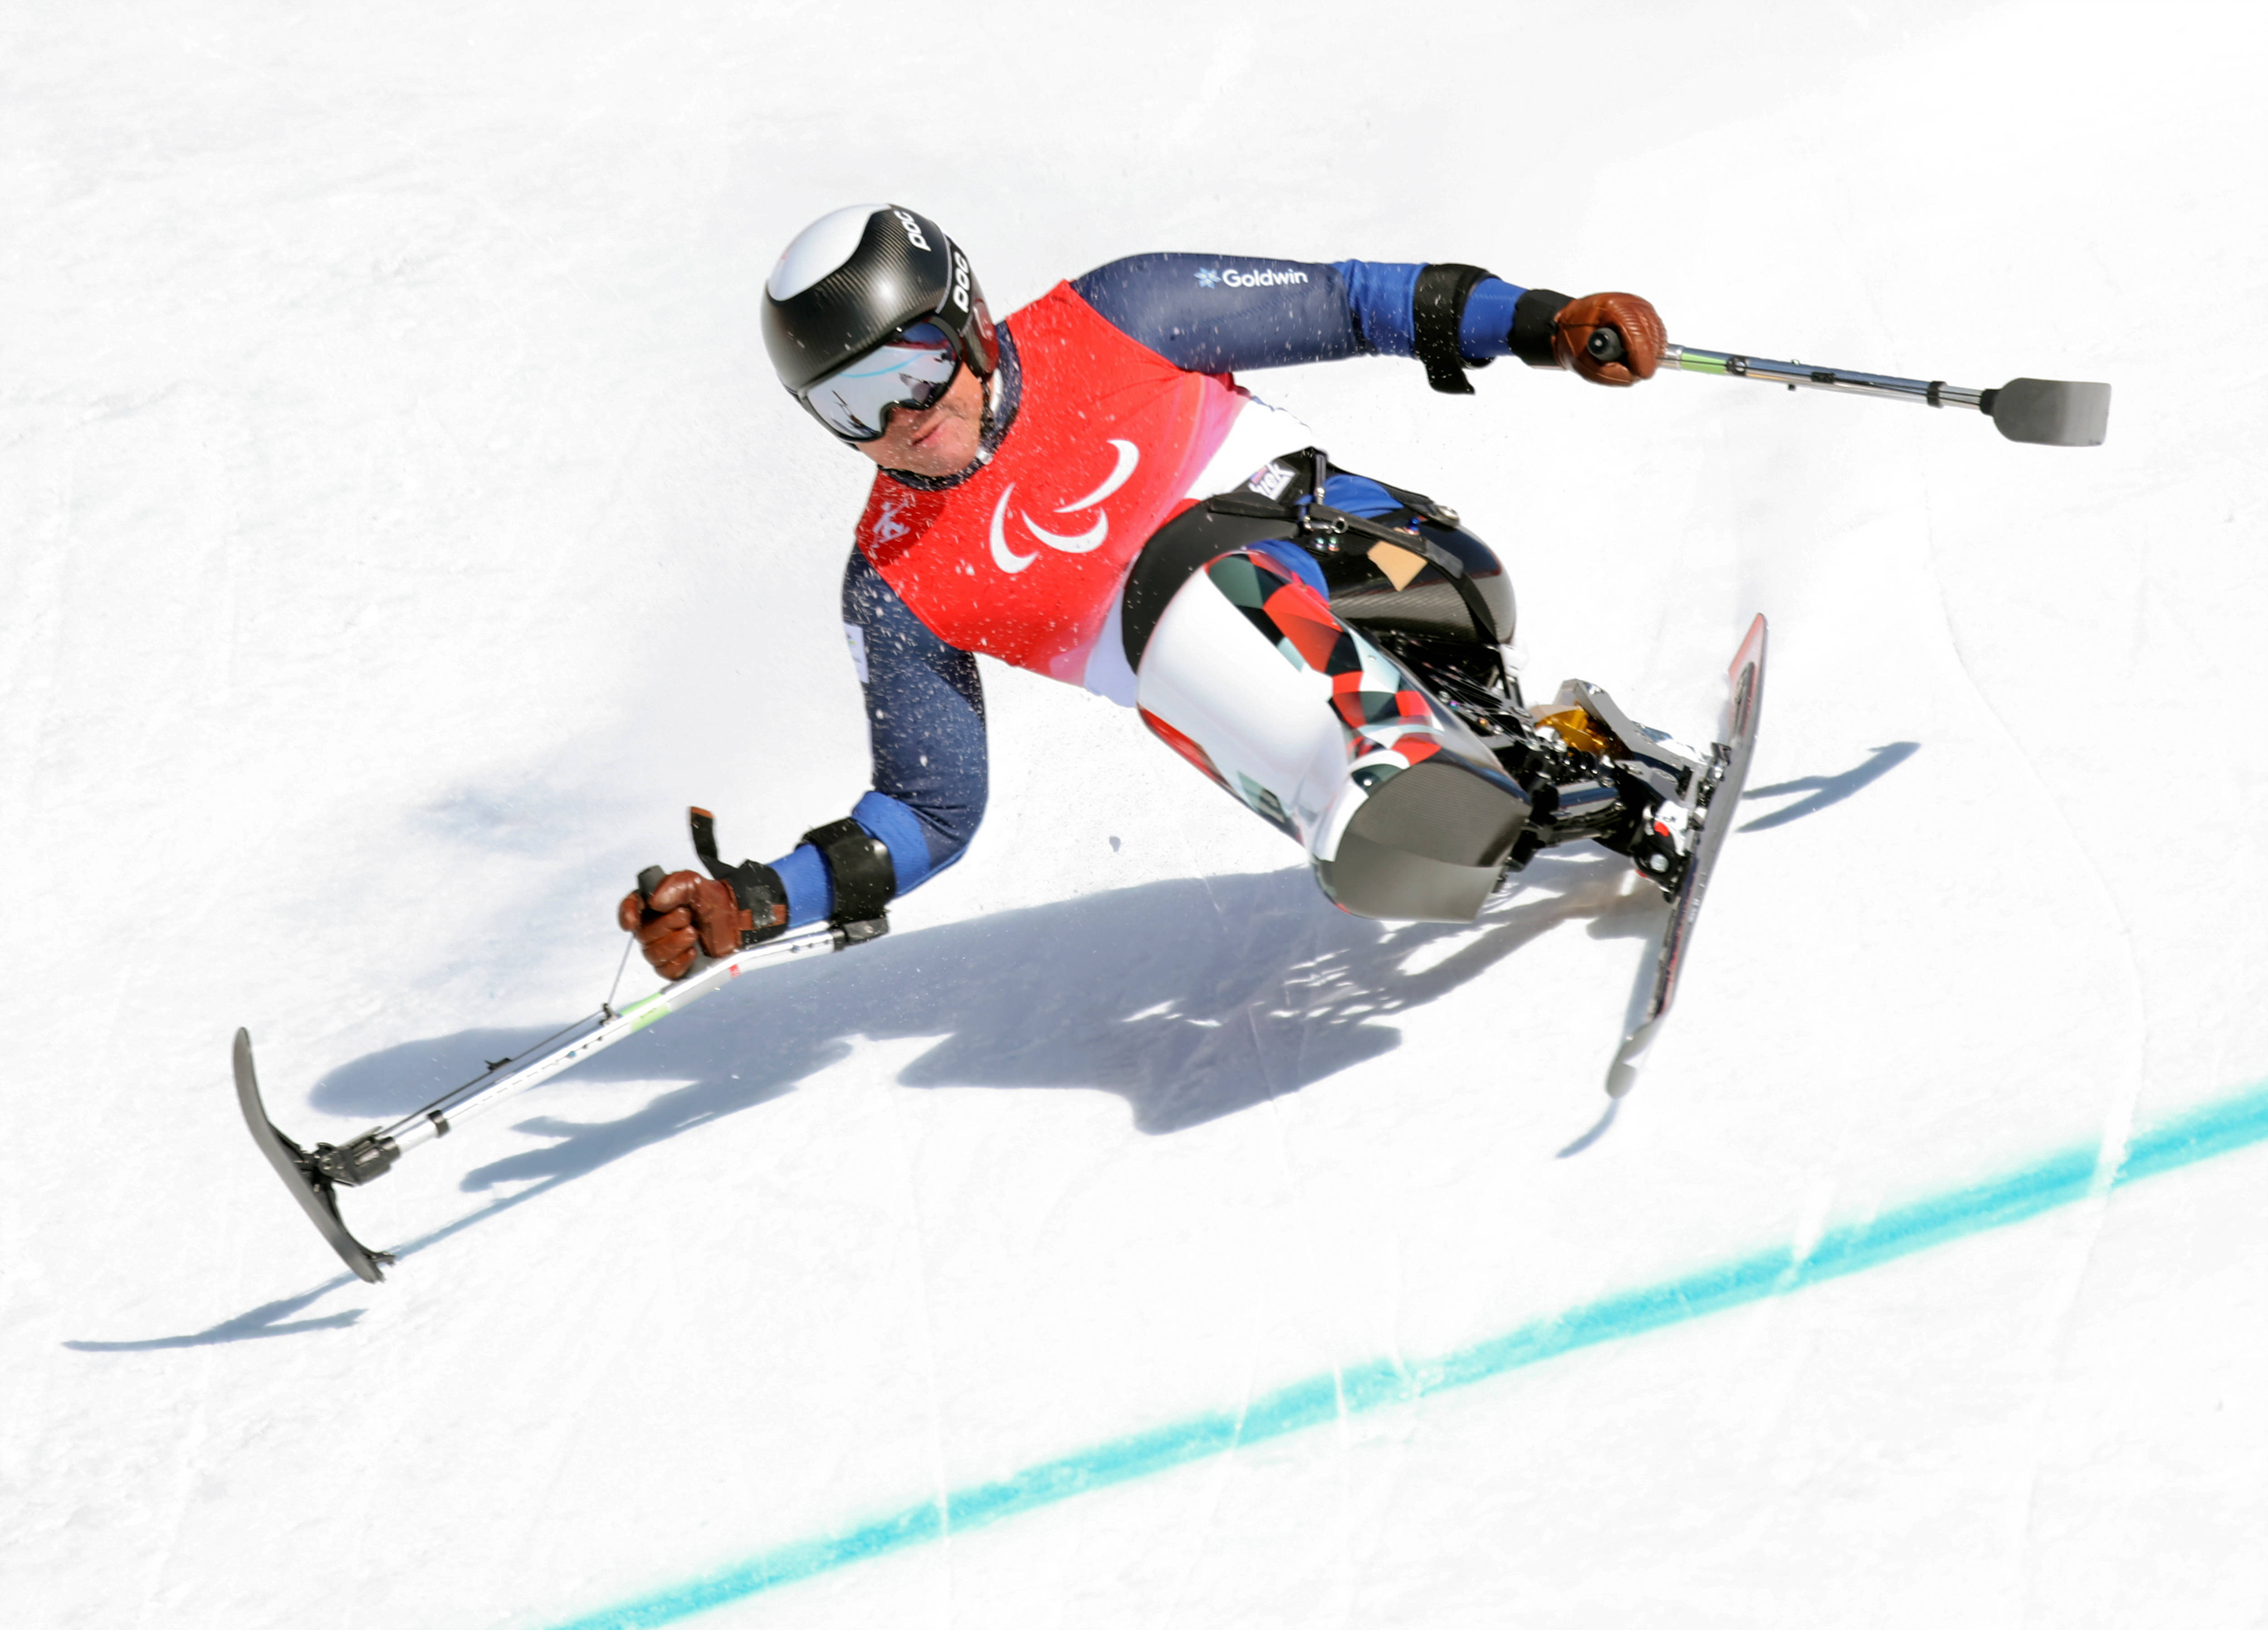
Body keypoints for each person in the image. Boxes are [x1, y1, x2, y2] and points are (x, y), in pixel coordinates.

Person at [623, 204, 1703, 981]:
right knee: (1182, 660)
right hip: (1266, 729)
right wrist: (754, 902)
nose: (899, 422)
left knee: (1188, 594)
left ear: (966, 324)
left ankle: (1408, 765)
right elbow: (926, 811)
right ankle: (1513, 789)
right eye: (849, 407)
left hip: (1392, 566)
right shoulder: (898, 582)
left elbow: (1353, 301)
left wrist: (1540, 322)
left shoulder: (1120, 315)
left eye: (905, 372)